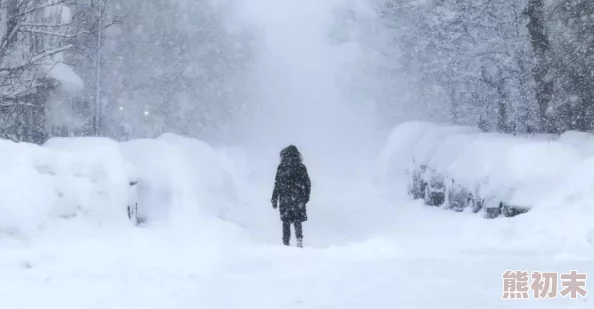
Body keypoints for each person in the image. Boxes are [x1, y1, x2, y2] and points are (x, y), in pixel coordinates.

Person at [271, 145, 311, 248]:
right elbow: (307, 184)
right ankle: (299, 241)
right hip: (298, 199)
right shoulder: (301, 167)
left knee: (286, 222)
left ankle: (286, 243)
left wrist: (274, 198)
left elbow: (278, 184)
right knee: (297, 220)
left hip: (285, 198)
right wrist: (305, 197)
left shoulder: (282, 167)